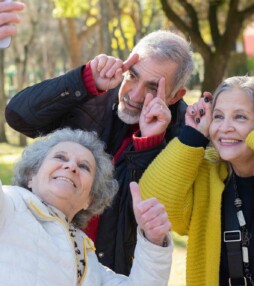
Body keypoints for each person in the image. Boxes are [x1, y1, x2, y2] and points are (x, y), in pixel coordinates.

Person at [5, 29, 194, 274]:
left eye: (151, 88)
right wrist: (83, 80)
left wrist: (149, 142)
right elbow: (19, 117)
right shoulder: (94, 93)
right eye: (132, 76)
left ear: (175, 96)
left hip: (103, 271)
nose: (134, 95)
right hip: (39, 254)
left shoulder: (183, 136)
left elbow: (140, 213)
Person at [0, 127, 173, 286]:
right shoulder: (10, 205)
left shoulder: (88, 260)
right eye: (60, 157)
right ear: (31, 176)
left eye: (84, 166)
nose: (71, 166)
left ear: (89, 199)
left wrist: (154, 241)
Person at [139, 76, 254, 285]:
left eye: (240, 117)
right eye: (218, 117)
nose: (225, 127)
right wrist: (193, 135)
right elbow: (152, 200)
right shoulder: (208, 172)